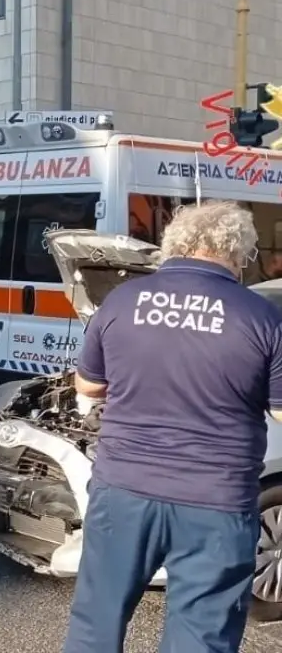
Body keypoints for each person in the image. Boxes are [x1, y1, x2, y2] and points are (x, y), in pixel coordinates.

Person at [63, 201, 282, 653]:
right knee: (200, 636)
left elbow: (88, 384)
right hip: (214, 500)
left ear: (173, 245)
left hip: (124, 489)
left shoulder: (122, 301)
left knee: (96, 624)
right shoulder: (261, 317)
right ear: (238, 253)